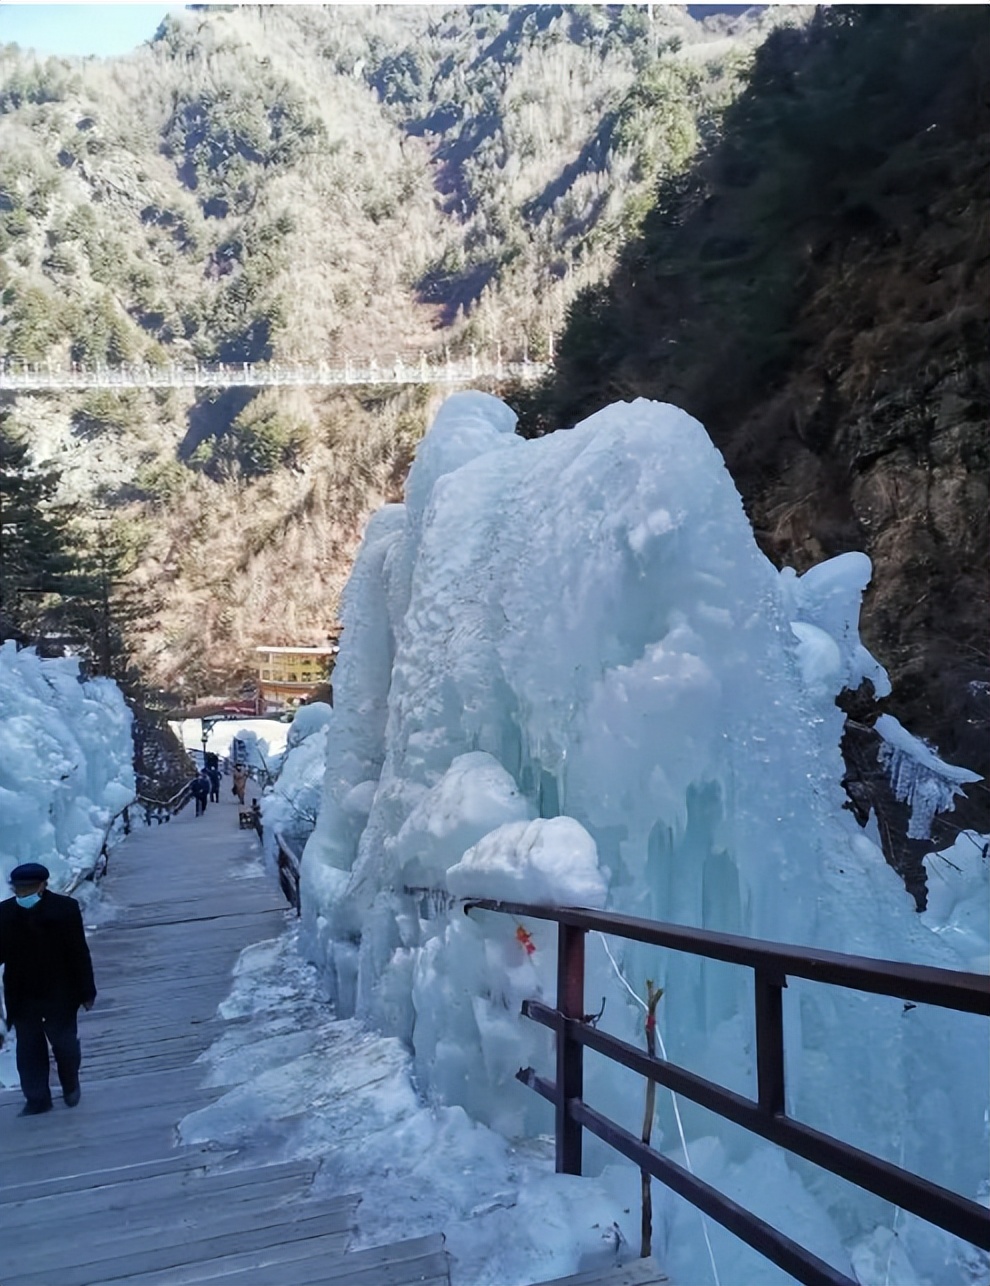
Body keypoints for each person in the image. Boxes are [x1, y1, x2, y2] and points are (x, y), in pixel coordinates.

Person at [0, 862, 96, 1115]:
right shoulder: (5, 913)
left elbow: (78, 952)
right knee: (28, 1049)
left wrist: (87, 991)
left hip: (60, 992)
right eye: (19, 889)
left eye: (29, 888)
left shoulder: (64, 909)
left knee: (64, 1044)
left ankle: (70, 1084)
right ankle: (37, 1099)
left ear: (43, 885)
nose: (23, 894)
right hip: (22, 995)